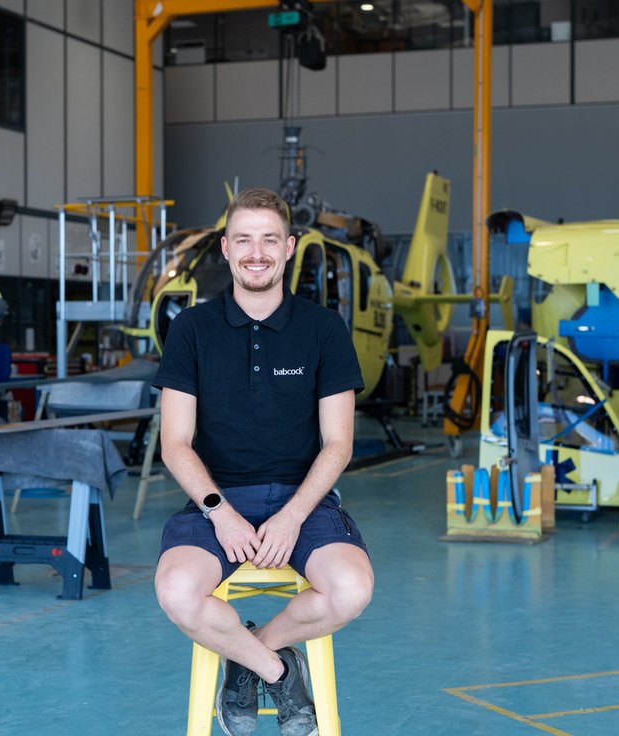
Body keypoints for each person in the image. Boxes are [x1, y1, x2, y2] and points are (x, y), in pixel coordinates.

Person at [153, 187, 374, 736]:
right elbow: (175, 443)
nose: (257, 252)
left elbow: (338, 444)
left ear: (290, 247)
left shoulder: (323, 330)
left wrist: (295, 515)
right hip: (216, 499)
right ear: (225, 249)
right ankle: (276, 669)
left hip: (304, 500)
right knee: (176, 590)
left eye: (270, 239)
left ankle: (244, 659)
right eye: (244, 239)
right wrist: (219, 511)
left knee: (351, 588)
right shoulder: (192, 330)